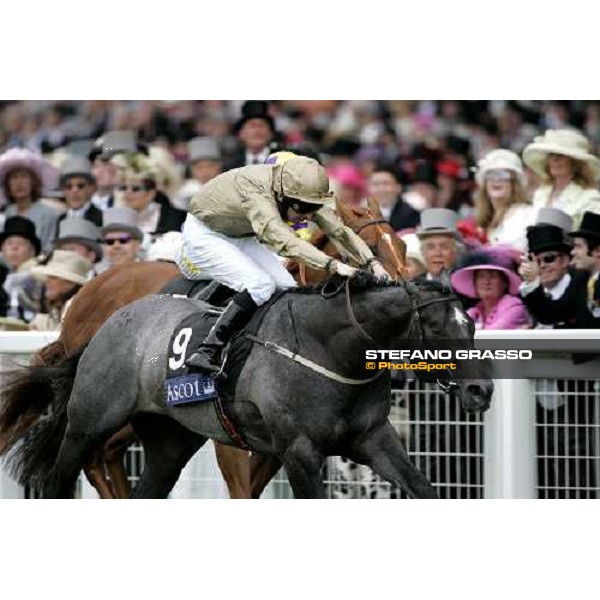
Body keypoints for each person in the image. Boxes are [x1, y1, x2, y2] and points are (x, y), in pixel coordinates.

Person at [177, 155, 388, 373]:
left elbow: (339, 231)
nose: (307, 216)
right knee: (260, 285)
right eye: (303, 208)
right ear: (285, 195)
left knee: (287, 288)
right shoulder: (257, 194)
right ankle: (207, 349)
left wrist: (372, 262)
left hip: (239, 233)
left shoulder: (301, 194)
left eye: (312, 208)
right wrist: (333, 266)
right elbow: (288, 244)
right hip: (205, 232)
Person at [523, 129, 600, 228]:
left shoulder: (590, 197)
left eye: (561, 155)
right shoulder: (540, 193)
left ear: (575, 163)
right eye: (551, 155)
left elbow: (593, 238)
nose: (555, 160)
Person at [473, 149, 536, 251]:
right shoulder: (482, 221)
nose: (496, 180)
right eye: (490, 175)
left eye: (503, 174)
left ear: (514, 183)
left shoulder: (528, 214)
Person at [451, 248, 530, 329]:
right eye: (481, 276)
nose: (486, 282)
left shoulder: (514, 307)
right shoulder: (474, 312)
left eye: (492, 276)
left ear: (505, 283)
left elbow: (491, 336)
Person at [0, 148, 60, 252]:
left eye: (24, 177)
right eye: (14, 178)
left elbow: (48, 247)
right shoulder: (7, 213)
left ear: (34, 181)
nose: (19, 183)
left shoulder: (48, 213)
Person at [29, 250, 92, 331]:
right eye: (48, 277)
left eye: (53, 277)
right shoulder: (56, 310)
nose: (47, 281)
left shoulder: (76, 307)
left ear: (70, 283)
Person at [0, 216, 43, 322]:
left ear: (32, 251)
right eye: (9, 243)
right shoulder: (2, 275)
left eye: (20, 243)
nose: (14, 248)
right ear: (2, 249)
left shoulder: (38, 276)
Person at [224, 101, 276, 170]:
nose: (257, 131)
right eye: (252, 126)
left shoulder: (282, 163)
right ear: (241, 134)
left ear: (270, 133)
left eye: (261, 125)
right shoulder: (230, 167)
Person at [367, 165, 420, 231]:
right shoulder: (363, 215)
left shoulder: (411, 215)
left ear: (398, 187)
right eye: (376, 184)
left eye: (386, 183)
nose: (381, 189)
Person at [415, 208, 464, 280]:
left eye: (444, 247)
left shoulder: (464, 287)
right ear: (423, 252)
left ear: (455, 252)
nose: (437, 253)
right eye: (430, 247)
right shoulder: (411, 288)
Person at [175, 137, 223, 208]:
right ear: (192, 170)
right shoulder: (184, 194)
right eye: (199, 168)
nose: (205, 172)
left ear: (219, 167)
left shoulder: (230, 189)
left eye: (210, 166)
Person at [57, 156, 103, 228]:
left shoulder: (101, 219)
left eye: (80, 186)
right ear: (63, 191)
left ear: (92, 188)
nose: (74, 191)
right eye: (69, 186)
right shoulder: (59, 220)